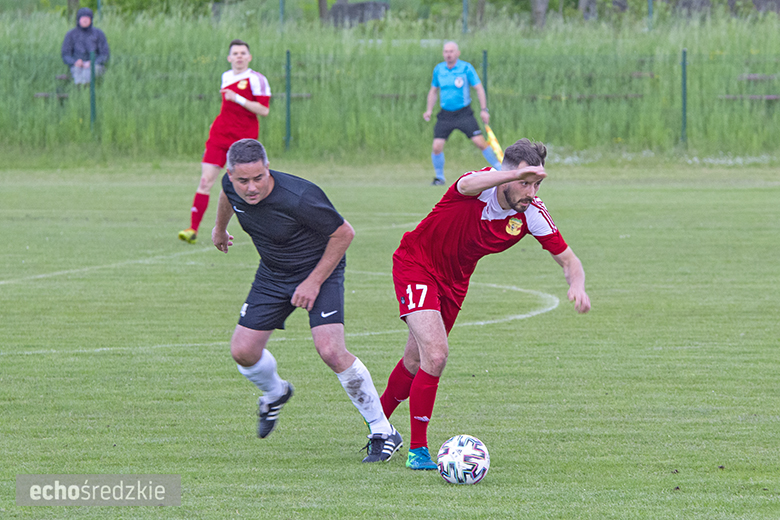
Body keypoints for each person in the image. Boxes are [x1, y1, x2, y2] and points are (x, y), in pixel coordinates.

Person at [379, 138, 591, 470]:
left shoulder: (531, 213)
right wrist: (513, 175)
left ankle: (377, 424)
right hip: (416, 264)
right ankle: (417, 451)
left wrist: (577, 284)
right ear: (507, 175)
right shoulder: (478, 186)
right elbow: (468, 183)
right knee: (436, 354)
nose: (531, 192)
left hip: (455, 283)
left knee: (415, 359)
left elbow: (569, 260)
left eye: (536, 184)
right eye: (525, 183)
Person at [211, 138, 403, 463]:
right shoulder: (231, 186)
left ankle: (383, 431)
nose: (251, 187)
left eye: (258, 178)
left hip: (319, 269)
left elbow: (344, 233)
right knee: (243, 351)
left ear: (268, 168)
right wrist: (219, 228)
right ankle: (275, 393)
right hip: (273, 273)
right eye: (243, 180)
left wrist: (313, 282)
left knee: (330, 350)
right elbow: (227, 196)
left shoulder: (299, 196)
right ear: (231, 175)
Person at [179, 39, 271, 245]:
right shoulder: (226, 76)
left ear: (249, 57)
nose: (239, 57)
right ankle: (192, 229)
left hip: (243, 141)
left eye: (243, 53)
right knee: (205, 181)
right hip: (219, 137)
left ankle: (266, 229)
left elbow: (264, 110)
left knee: (250, 186)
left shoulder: (256, 79)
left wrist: (238, 98)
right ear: (229, 58)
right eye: (235, 53)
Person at [423, 41, 502, 186]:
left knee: (480, 143)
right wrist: (429, 110)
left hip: (464, 113)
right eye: (446, 51)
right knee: (436, 147)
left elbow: (479, 88)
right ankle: (439, 177)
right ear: (443, 54)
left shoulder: (466, 68)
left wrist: (484, 110)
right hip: (445, 115)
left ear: (457, 53)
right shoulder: (439, 69)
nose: (448, 54)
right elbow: (433, 91)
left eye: (451, 51)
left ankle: (501, 170)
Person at [60, 7, 110, 85]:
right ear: (78, 19)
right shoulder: (71, 35)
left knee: (88, 72)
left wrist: (92, 62)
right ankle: (79, 88)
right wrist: (75, 62)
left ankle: (86, 87)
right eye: (83, 18)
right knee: (77, 72)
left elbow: (105, 55)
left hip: (95, 65)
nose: (85, 20)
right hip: (77, 66)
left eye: (87, 18)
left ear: (91, 19)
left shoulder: (98, 34)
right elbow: (65, 55)